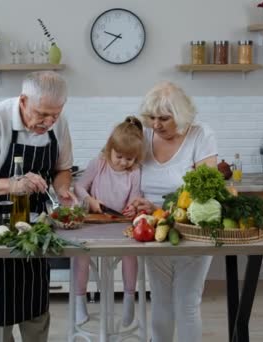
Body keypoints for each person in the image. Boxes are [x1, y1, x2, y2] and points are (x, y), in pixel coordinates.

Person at [0, 71, 76, 342]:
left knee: (36, 305)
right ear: (23, 101)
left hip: (38, 230)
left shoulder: (57, 124)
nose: (48, 122)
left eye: (55, 115)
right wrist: (12, 185)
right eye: (42, 114)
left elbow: (63, 168)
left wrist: (61, 189)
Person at [131, 81, 218, 342]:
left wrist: (160, 207)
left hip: (191, 232)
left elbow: (206, 192)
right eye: (152, 117)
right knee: (159, 300)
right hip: (153, 231)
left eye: (164, 118)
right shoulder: (145, 136)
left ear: (179, 116)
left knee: (187, 303)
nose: (156, 124)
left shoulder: (200, 135)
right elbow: (118, 168)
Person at [72, 116, 144, 327]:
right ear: (109, 148)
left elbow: (135, 197)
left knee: (131, 254)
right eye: (119, 156)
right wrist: (90, 200)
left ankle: (129, 298)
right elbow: (79, 187)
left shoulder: (135, 172)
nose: (123, 162)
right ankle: (79, 300)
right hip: (94, 222)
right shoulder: (99, 163)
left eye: (129, 159)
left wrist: (132, 207)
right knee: (81, 254)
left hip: (121, 223)